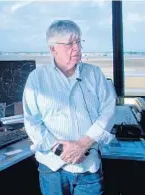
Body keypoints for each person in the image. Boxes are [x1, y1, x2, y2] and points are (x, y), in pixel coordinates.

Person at [22, 20, 116, 195]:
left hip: (89, 168)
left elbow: (109, 111)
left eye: (79, 42)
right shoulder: (36, 79)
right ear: (53, 49)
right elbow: (32, 122)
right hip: (52, 169)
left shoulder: (94, 74)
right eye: (69, 44)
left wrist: (83, 144)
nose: (77, 48)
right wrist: (61, 150)